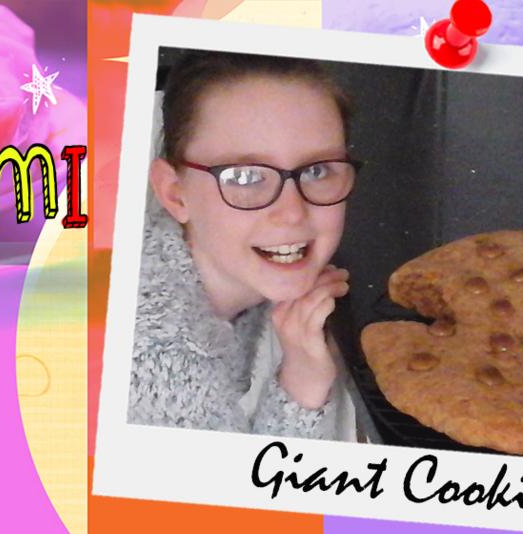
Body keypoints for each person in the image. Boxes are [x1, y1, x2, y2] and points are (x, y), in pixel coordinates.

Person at [127, 50, 362, 440]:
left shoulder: (209, 259)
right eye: (245, 176)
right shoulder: (159, 369)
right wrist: (302, 382)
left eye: (317, 170)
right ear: (175, 194)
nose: (292, 213)